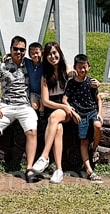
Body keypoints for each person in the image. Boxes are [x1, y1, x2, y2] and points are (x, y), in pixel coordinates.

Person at [0, 35, 39, 182]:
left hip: (24, 105)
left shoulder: (29, 64)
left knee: (32, 131)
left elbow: (47, 61)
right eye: (15, 49)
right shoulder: (2, 65)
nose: (19, 52)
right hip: (6, 105)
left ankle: (29, 169)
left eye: (22, 49)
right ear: (10, 49)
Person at [29, 41, 74, 183]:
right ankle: (59, 170)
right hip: (54, 108)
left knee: (54, 118)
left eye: (54, 53)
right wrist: (62, 107)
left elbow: (81, 77)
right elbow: (46, 101)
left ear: (59, 53)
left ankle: (44, 156)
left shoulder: (67, 71)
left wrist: (66, 107)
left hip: (67, 107)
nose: (52, 56)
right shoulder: (46, 75)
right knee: (58, 128)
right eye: (49, 54)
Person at [65, 53, 103, 181]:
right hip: (80, 115)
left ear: (89, 67)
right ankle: (89, 170)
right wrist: (72, 112)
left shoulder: (92, 82)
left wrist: (100, 113)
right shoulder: (71, 83)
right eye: (80, 67)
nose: (82, 70)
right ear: (75, 67)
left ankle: (95, 148)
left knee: (98, 126)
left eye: (85, 67)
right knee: (83, 142)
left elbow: (99, 99)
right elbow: (65, 100)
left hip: (92, 112)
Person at [26, 42, 44, 113]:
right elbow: (19, 56)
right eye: (32, 53)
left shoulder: (45, 64)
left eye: (37, 53)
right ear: (29, 55)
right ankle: (36, 118)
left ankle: (42, 119)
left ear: (42, 53)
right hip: (33, 92)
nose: (35, 55)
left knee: (42, 108)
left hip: (43, 92)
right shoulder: (28, 62)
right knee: (35, 106)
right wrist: (8, 55)